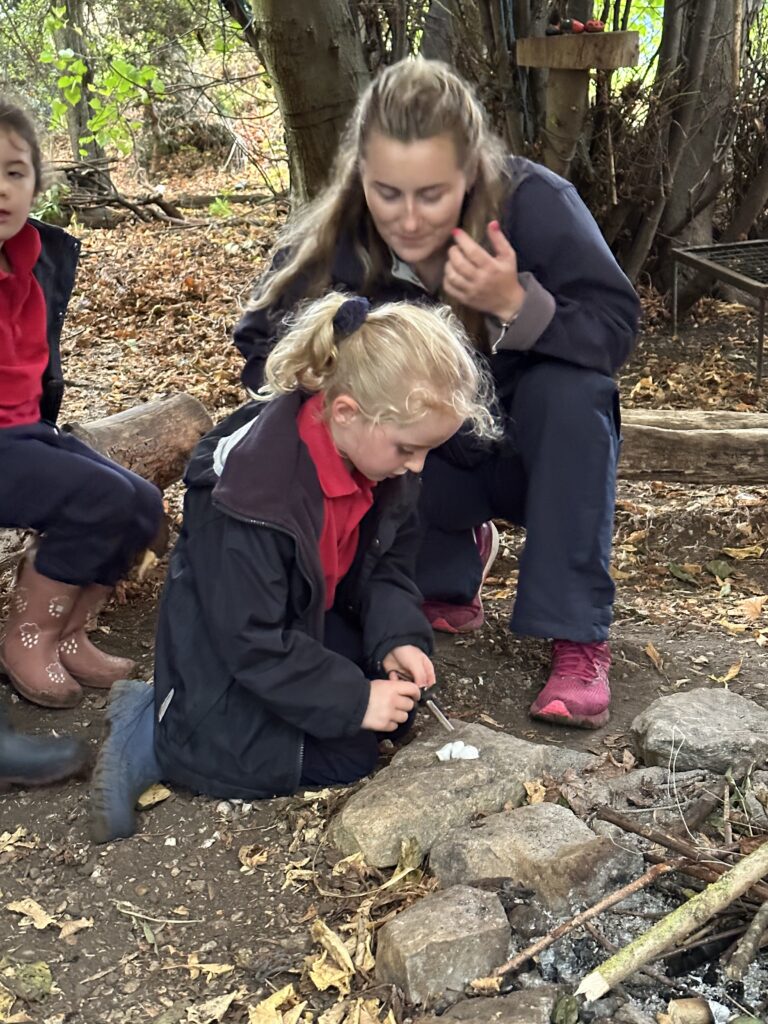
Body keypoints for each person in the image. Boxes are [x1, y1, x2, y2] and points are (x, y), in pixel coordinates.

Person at [231, 57, 641, 729]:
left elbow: (615, 332)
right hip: (426, 463)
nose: (410, 220)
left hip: (532, 457)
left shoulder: (536, 204)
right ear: (361, 174)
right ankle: (449, 565)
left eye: (433, 194)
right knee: (358, 412)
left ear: (472, 172)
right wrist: (325, 374)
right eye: (388, 193)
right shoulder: (339, 233)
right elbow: (260, 344)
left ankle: (577, 634)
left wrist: (515, 303)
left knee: (576, 392)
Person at [88, 291, 497, 843]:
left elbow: (388, 570)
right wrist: (354, 699)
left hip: (299, 625)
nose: (417, 466)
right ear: (347, 411)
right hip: (227, 654)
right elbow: (250, 637)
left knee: (392, 715)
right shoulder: (254, 497)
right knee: (343, 757)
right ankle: (154, 731)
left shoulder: (379, 462)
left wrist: (397, 638)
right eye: (408, 449)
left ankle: (171, 712)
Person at [0, 100, 164, 710]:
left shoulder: (34, 259)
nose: (1, 188)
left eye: (15, 172)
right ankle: (27, 635)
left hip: (25, 434)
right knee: (98, 498)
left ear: (37, 184)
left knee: (142, 504)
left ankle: (67, 633)